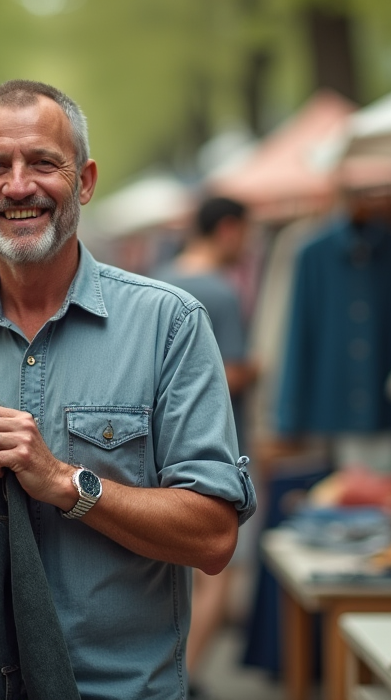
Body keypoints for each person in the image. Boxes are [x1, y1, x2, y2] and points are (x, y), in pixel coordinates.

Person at [0, 80, 256, 700]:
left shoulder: (170, 325)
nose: (18, 186)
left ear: (84, 181)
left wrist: (66, 483)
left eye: (42, 163)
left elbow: (215, 536)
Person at [154, 196, 259, 693]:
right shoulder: (218, 290)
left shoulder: (154, 280)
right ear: (229, 230)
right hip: (218, 443)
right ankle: (186, 675)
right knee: (219, 569)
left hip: (156, 448)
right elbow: (230, 372)